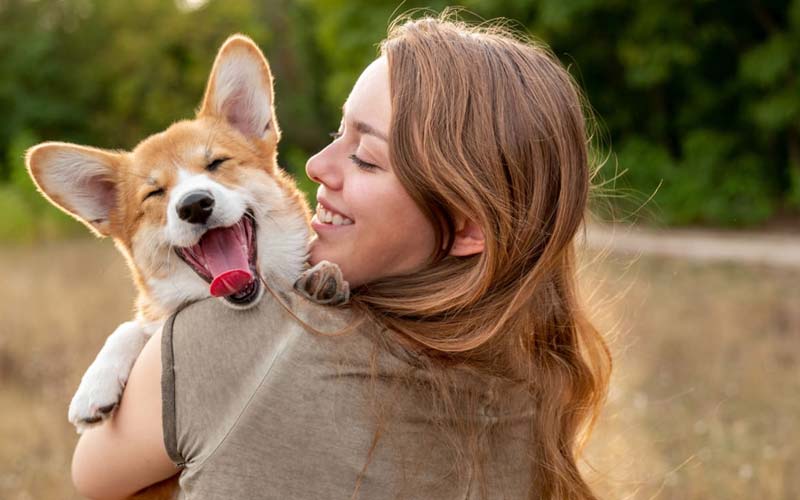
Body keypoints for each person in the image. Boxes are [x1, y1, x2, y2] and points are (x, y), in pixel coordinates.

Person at [71, 14, 611, 500]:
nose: (314, 166)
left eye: (367, 158)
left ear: (468, 225)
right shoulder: (535, 388)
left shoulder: (223, 342)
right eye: (337, 132)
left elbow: (89, 476)